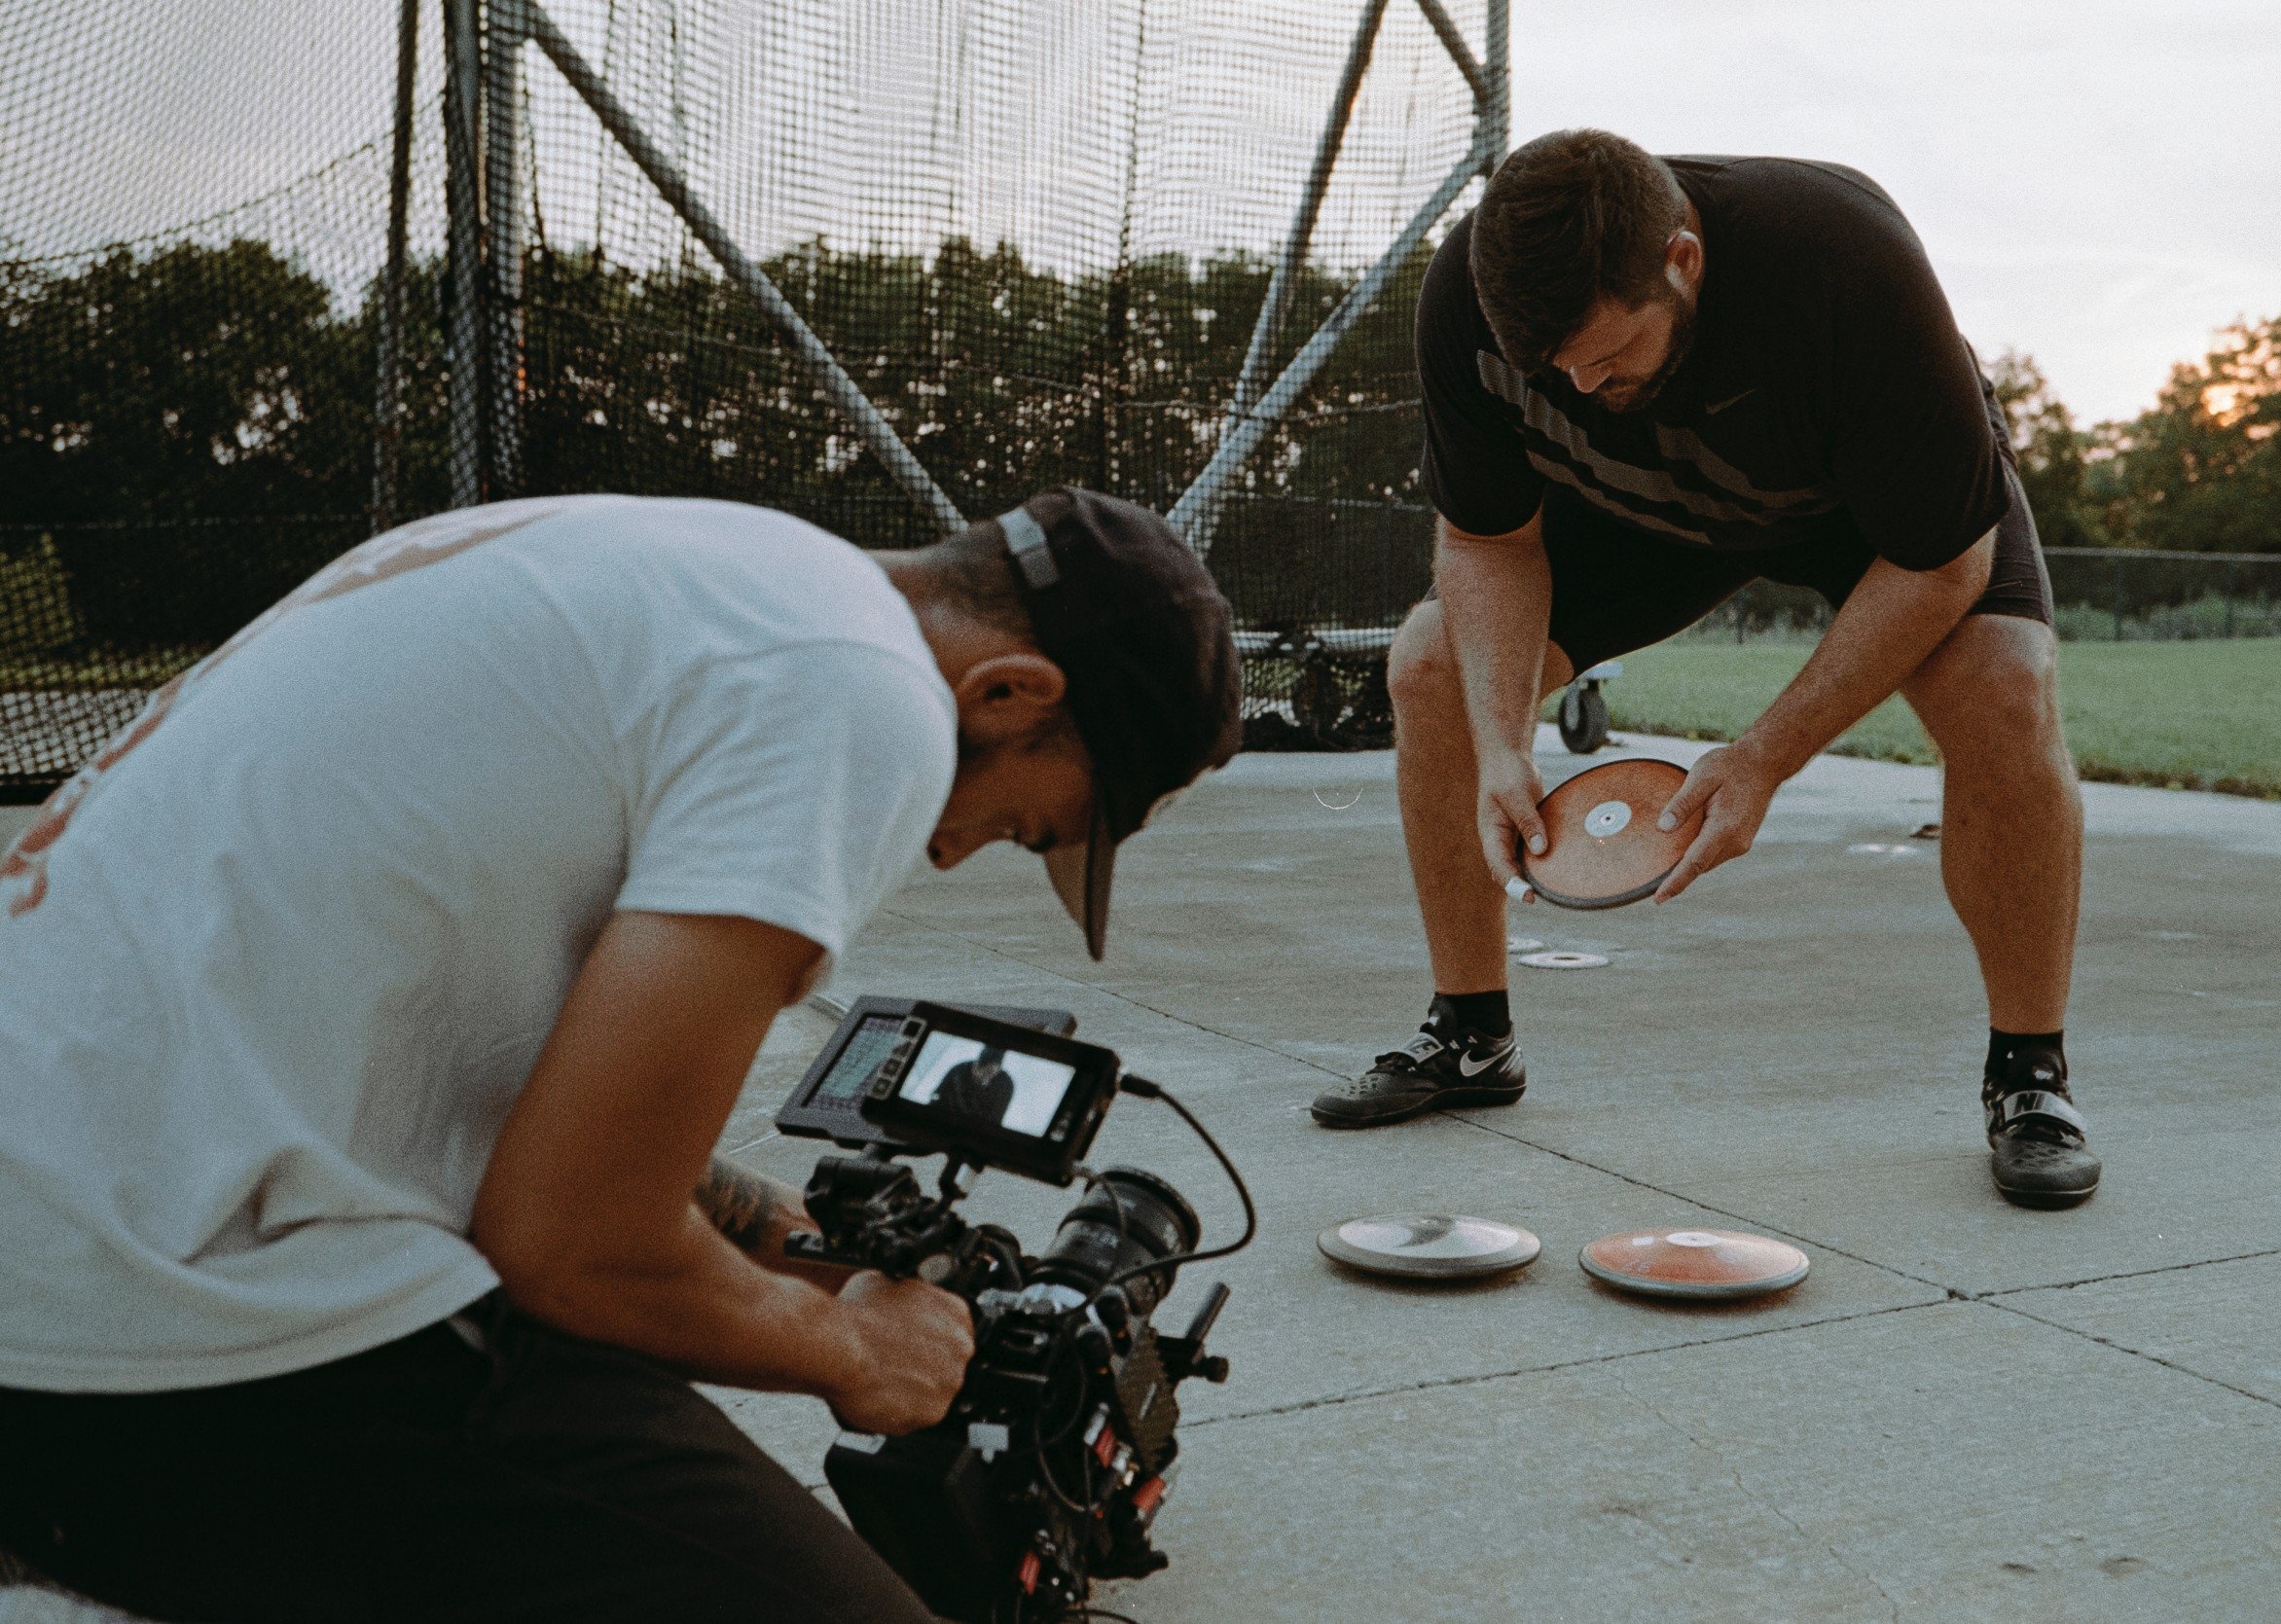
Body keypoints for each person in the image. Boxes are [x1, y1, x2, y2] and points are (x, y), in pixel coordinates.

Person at [0, 486, 1240, 1623]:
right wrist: (857, 1351)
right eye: (1025, 825)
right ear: (1009, 692)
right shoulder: (862, 691)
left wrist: (812, 1255)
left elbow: (539, 1125)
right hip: (144, 1316)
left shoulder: (675, 560)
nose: (954, 851)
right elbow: (573, 1250)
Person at [1311, 129, 2098, 1211]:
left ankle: (2029, 1077)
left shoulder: (1842, 262)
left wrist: (1764, 757)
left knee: (2004, 687)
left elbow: (1938, 558)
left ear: (1680, 260)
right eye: (1556, 371)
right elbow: (1488, 538)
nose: (1581, 385)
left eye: (1604, 352)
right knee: (1429, 667)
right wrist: (1501, 743)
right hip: (1645, 508)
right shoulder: (1469, 300)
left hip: (1861, 513)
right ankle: (1470, 1036)